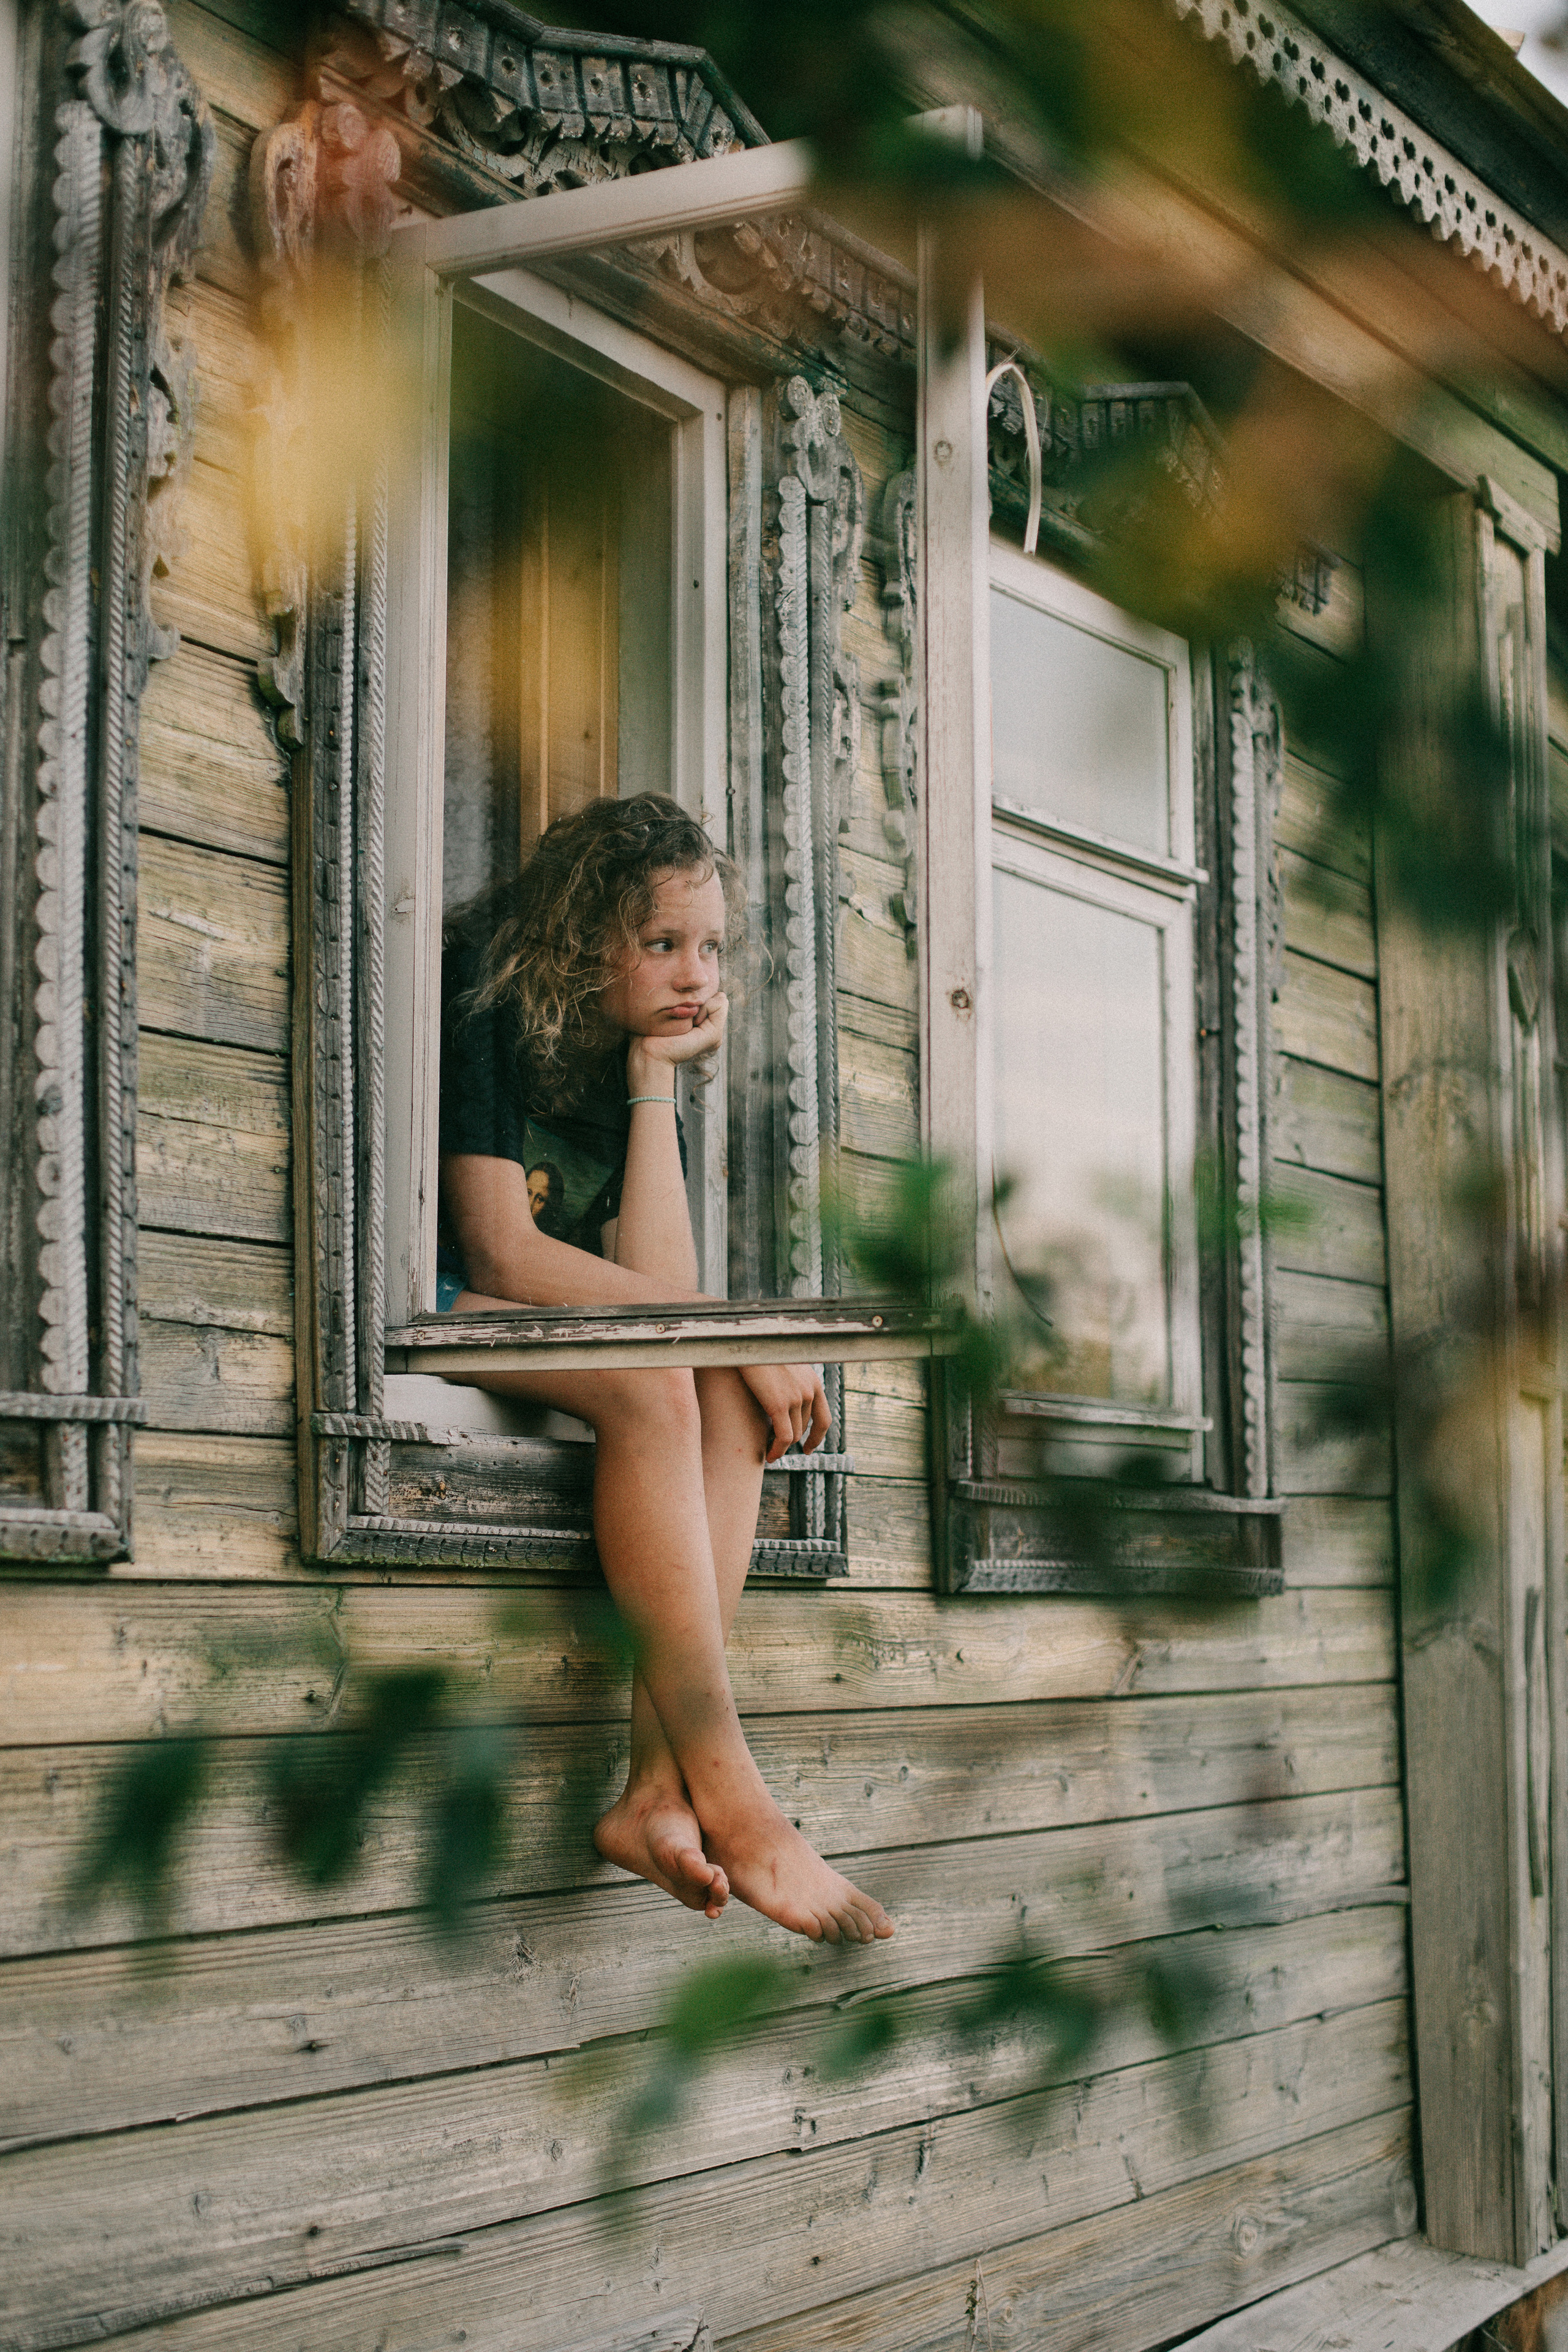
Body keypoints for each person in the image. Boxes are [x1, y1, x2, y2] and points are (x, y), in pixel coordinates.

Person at [437, 793, 894, 1946]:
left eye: (710, 948)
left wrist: (654, 1083)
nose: (696, 975)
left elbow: (654, 1279)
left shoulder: (626, 1042)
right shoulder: (485, 993)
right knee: (666, 1377)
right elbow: (500, 1247)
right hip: (435, 1300)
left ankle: (653, 1791)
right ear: (580, 937)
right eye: (661, 945)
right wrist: (741, 1326)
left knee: (725, 1391)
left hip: (532, 1314)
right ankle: (732, 1795)